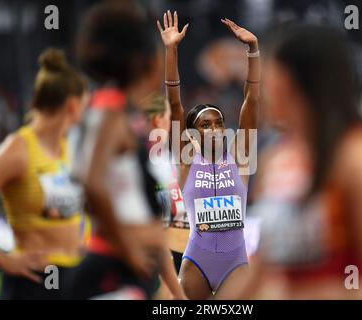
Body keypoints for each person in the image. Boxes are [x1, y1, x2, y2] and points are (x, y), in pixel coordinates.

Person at [227, 25, 362, 299]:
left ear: (297, 82)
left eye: (271, 77)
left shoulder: (356, 155)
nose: (265, 89)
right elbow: (262, 269)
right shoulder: (276, 159)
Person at [68, 1, 169, 300]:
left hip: (120, 264)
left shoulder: (110, 108)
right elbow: (89, 180)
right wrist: (129, 247)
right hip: (114, 269)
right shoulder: (110, 110)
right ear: (145, 61)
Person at [156, 10, 260, 299]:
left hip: (235, 262)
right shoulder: (187, 160)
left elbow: (252, 99)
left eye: (219, 123)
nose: (215, 129)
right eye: (206, 124)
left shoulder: (240, 157)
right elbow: (174, 103)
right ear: (191, 134)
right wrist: (171, 50)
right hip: (197, 262)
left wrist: (253, 51)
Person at [0, 48, 88, 299]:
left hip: (71, 280)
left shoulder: (68, 147)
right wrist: (3, 260)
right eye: (84, 105)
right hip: (31, 284)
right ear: (72, 105)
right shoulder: (17, 150)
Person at [142, 95, 187, 300]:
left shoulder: (172, 158)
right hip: (159, 251)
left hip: (182, 251)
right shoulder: (146, 161)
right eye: (170, 117)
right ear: (159, 121)